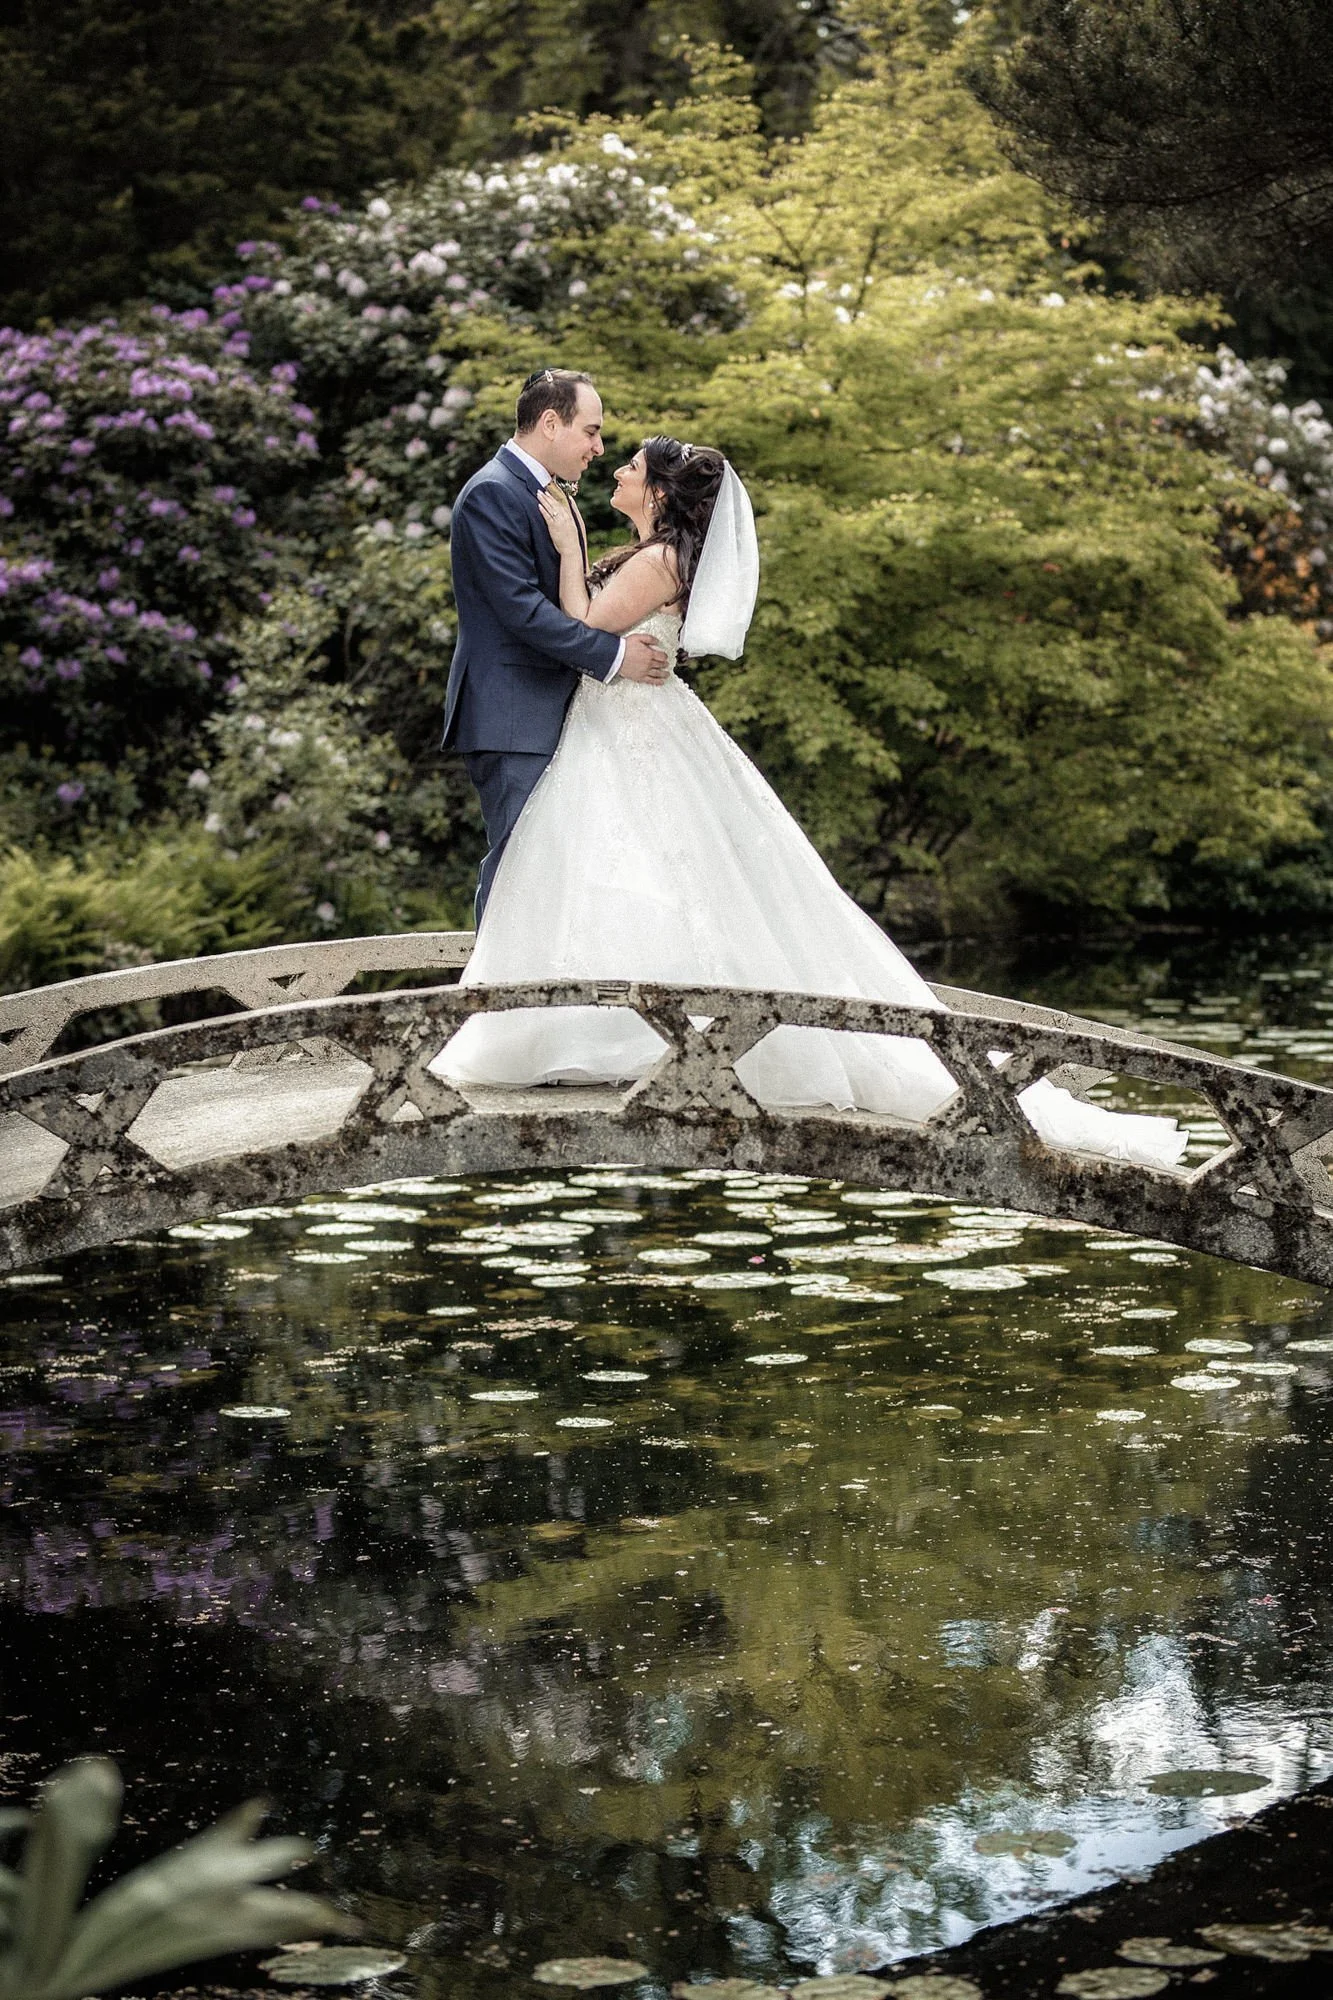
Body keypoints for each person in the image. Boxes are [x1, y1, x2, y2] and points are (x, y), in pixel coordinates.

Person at [441, 433, 1186, 1171]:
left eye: (631, 466)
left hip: (628, 732)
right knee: (627, 874)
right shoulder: (654, 555)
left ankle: (634, 1034)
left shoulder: (658, 559)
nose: (616, 468)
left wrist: (570, 552)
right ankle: (603, 1032)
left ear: (660, 493)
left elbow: (581, 628)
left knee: (636, 868)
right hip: (618, 727)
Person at [443, 367, 671, 921]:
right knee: (519, 866)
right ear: (550, 422)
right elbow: (521, 611)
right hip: (513, 713)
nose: (599, 447)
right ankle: (494, 997)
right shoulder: (492, 493)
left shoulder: (548, 494)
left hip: (552, 712)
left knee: (554, 872)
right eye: (591, 431)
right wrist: (616, 658)